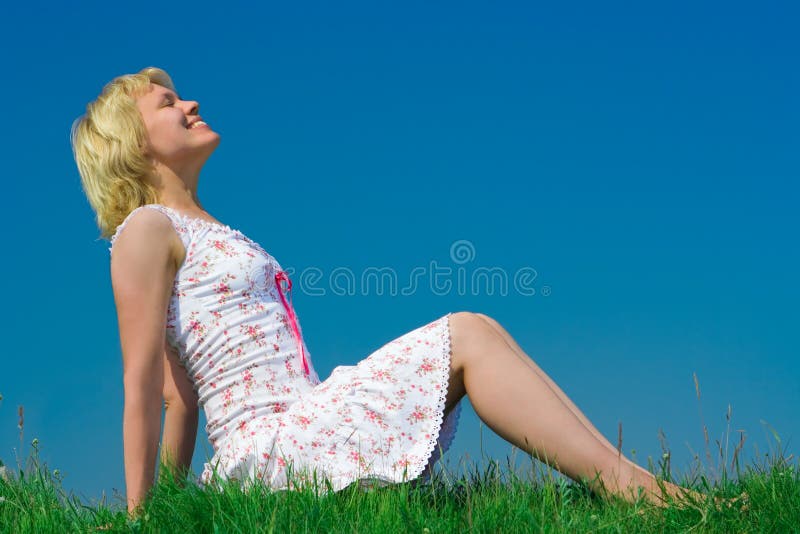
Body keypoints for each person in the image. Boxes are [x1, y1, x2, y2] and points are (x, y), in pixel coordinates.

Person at [71, 67, 714, 516]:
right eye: (166, 103)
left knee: (476, 328)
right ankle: (636, 493)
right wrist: (145, 522)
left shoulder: (206, 228)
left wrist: (172, 507)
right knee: (468, 331)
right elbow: (149, 387)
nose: (189, 104)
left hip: (304, 419)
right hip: (267, 450)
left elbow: (179, 396)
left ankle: (631, 487)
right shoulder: (145, 231)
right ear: (133, 145)